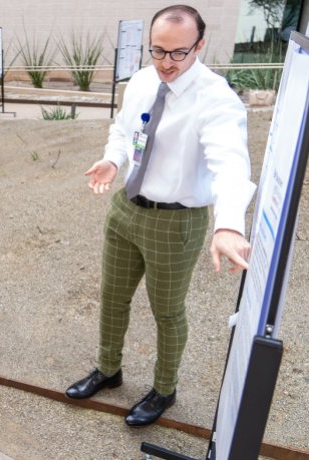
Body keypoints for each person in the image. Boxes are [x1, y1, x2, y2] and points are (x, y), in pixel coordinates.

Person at [66, 4, 256, 427]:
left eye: (178, 53)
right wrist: (113, 162)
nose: (166, 63)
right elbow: (123, 130)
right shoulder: (141, 80)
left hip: (176, 222)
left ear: (199, 46)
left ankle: (164, 390)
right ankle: (109, 370)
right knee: (113, 298)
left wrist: (227, 224)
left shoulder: (217, 100)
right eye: (158, 51)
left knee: (167, 312)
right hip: (126, 207)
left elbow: (231, 164)